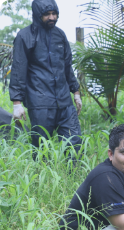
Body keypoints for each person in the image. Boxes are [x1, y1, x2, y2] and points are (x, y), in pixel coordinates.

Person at [9, 0, 82, 163]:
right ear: (37, 15)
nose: (52, 18)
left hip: (64, 100)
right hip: (40, 102)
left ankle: (74, 178)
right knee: (41, 147)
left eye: (54, 14)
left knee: (75, 142)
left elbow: (67, 66)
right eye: (47, 15)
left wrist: (75, 92)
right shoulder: (25, 36)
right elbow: (18, 69)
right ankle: (43, 179)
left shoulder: (60, 35)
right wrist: (17, 103)